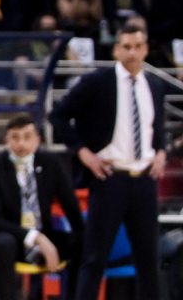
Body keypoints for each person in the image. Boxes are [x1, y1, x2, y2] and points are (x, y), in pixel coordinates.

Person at [49, 23, 168, 300]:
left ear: (146, 50)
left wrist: (161, 152)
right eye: (126, 46)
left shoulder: (155, 85)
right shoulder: (97, 82)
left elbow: (156, 130)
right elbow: (58, 116)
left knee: (149, 261)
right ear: (116, 50)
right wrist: (83, 152)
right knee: (94, 259)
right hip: (109, 179)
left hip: (145, 182)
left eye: (138, 46)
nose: (132, 52)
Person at [0, 113, 84, 300]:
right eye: (15, 138)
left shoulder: (50, 162)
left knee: (83, 242)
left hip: (41, 233)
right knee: (4, 243)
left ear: (37, 140)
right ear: (7, 141)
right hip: (1, 236)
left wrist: (83, 233)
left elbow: (70, 204)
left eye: (27, 137)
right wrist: (36, 238)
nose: (21, 144)